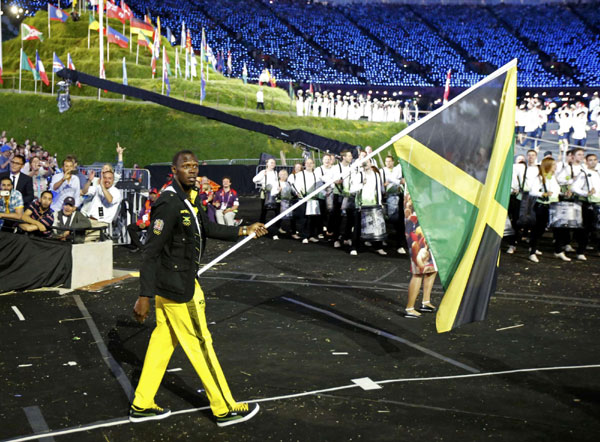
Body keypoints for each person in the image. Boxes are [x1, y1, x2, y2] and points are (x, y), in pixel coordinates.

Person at [130, 150, 268, 427]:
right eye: (186, 166)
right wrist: (143, 296)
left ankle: (142, 403)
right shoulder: (168, 203)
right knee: (202, 346)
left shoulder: (191, 199)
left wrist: (245, 230)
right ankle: (224, 408)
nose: (192, 171)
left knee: (162, 343)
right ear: (174, 170)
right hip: (178, 290)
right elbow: (150, 252)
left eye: (195, 166)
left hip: (174, 285)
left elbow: (207, 229)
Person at [402, 191, 437, 318]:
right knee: (418, 270)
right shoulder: (412, 186)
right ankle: (410, 308)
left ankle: (426, 302)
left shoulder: (425, 184)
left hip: (428, 226)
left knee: (432, 268)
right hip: (416, 228)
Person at [527, 157, 569, 262]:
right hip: (543, 206)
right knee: (539, 229)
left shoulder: (552, 177)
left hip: (554, 205)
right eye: (554, 165)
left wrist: (564, 194)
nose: (556, 167)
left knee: (559, 229)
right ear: (548, 165)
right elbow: (532, 192)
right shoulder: (540, 178)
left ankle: (558, 251)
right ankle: (532, 251)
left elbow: (555, 191)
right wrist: (543, 193)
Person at [571, 153, 600, 259]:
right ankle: (580, 251)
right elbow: (574, 187)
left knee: (594, 228)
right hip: (589, 204)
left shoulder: (597, 172)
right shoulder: (584, 174)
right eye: (590, 160)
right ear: (586, 162)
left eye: (595, 159)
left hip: (597, 203)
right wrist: (586, 193)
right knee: (587, 228)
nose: (593, 162)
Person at [81, 170, 122, 238]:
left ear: (113, 180)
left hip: (100, 223)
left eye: (109, 178)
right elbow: (84, 191)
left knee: (86, 243)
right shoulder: (98, 188)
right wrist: (89, 181)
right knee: (77, 239)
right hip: (89, 220)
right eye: (105, 178)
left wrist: (102, 186)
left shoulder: (116, 192)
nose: (107, 180)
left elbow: (110, 200)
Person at [252, 158, 280, 239]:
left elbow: (276, 182)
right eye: (271, 163)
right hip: (265, 195)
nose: (273, 164)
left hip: (275, 195)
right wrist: (262, 175)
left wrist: (278, 188)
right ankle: (260, 230)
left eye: (274, 163)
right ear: (267, 164)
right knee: (264, 213)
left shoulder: (275, 172)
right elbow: (254, 180)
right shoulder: (263, 172)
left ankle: (275, 232)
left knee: (276, 213)